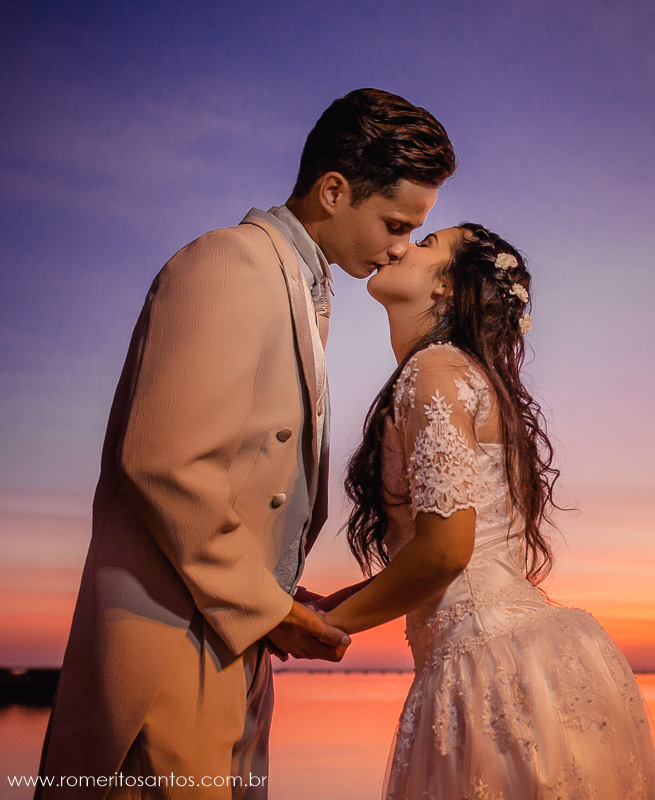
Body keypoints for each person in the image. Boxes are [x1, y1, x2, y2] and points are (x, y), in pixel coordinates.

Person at [35, 88, 456, 800]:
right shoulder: (231, 263)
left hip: (230, 637)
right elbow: (166, 464)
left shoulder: (296, 285)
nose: (399, 247)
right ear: (333, 190)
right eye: (394, 223)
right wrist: (268, 608)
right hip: (172, 642)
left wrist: (273, 603)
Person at [317, 224, 655, 799]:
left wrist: (332, 626)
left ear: (445, 289)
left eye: (426, 243)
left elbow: (447, 551)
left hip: (485, 663)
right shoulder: (466, 375)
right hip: (515, 652)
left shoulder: (434, 372)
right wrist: (328, 605)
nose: (402, 244)